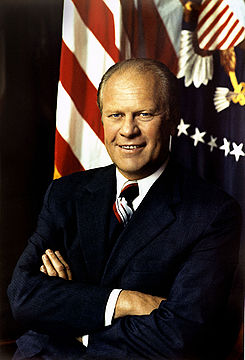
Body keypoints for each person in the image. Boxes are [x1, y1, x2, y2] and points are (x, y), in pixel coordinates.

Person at [8, 59, 241, 360]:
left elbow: (180, 334)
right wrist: (126, 302)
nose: (128, 130)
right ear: (102, 120)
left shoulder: (213, 214)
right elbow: (23, 296)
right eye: (116, 115)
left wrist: (72, 320)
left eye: (144, 114)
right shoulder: (65, 194)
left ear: (171, 119)